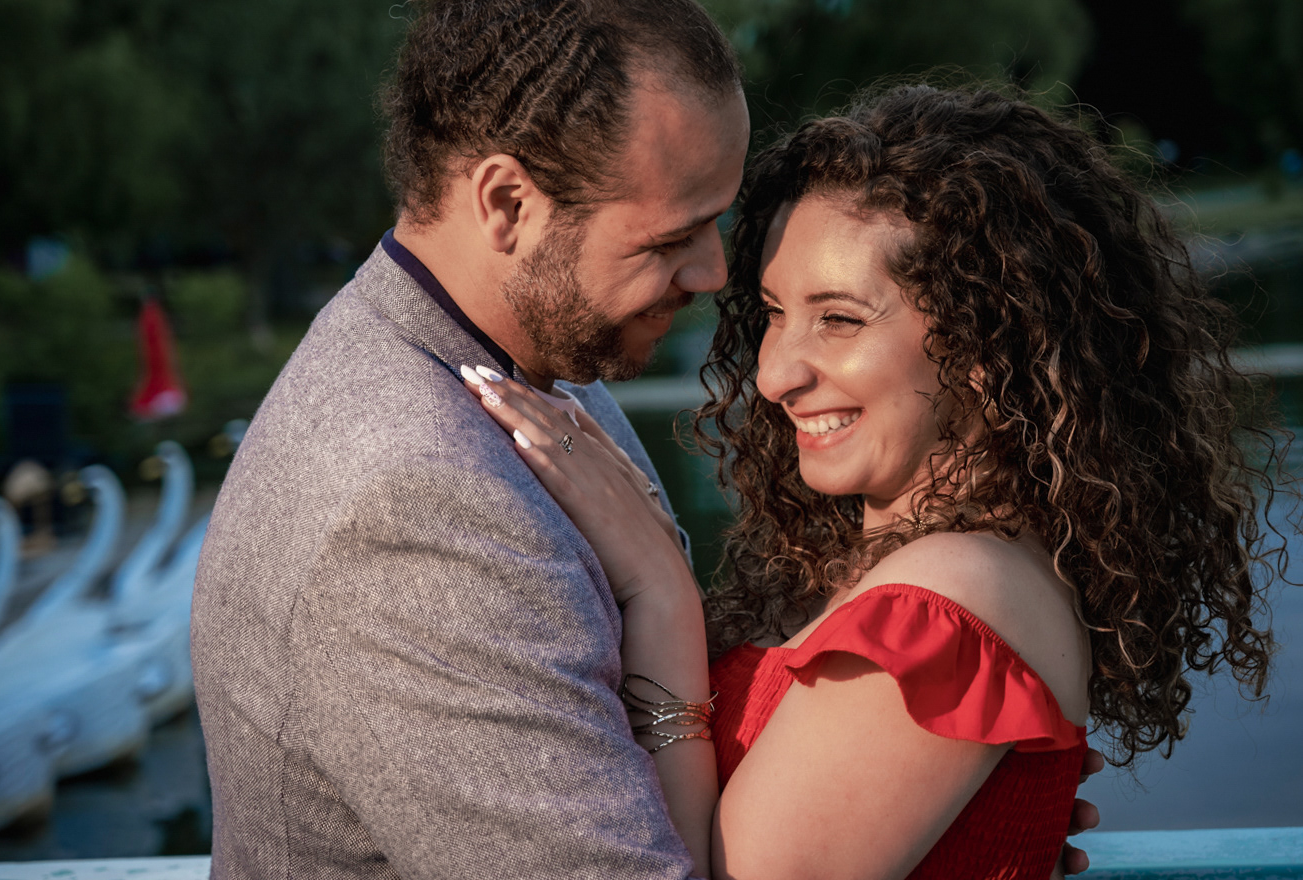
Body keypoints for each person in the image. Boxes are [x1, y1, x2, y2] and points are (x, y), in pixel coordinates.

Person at [463, 83, 1284, 879]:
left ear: (986, 343)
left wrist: (660, 592)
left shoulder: (943, 603)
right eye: (774, 313)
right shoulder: (947, 568)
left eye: (839, 319)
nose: (775, 374)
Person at [191, 1, 747, 877]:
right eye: (672, 237)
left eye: (717, 223)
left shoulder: (524, 360)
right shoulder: (416, 500)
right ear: (507, 202)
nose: (713, 271)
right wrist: (662, 593)